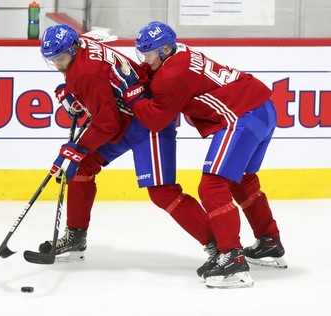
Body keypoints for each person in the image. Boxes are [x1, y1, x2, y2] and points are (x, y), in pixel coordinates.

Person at [114, 21, 287, 288]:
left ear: (164, 50)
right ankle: (269, 241)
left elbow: (156, 120)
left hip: (242, 117)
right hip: (263, 110)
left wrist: (132, 95)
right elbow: (161, 83)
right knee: (242, 181)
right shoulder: (179, 53)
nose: (145, 61)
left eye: (148, 55)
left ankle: (232, 259)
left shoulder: (172, 75)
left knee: (212, 185)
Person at [37, 24, 217, 265]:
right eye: (53, 60)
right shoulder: (82, 48)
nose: (58, 65)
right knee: (82, 168)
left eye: (61, 58)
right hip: (126, 116)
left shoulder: (84, 72)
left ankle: (219, 246)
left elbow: (106, 123)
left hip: (146, 118)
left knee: (162, 192)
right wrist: (71, 92)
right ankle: (75, 238)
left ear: (74, 47)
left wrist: (77, 150)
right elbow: (103, 101)